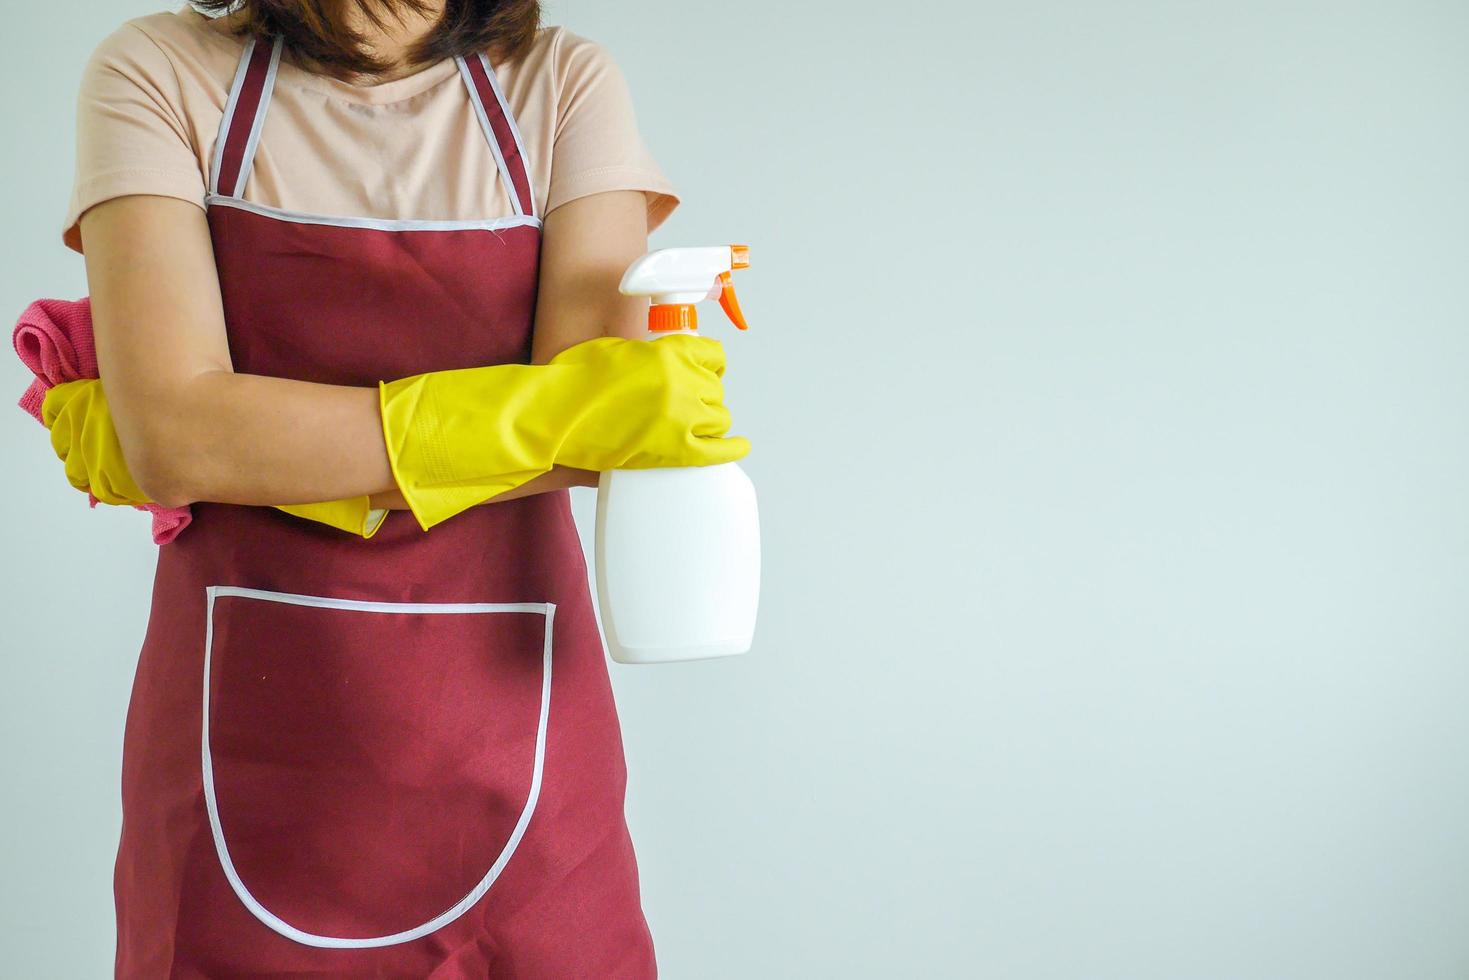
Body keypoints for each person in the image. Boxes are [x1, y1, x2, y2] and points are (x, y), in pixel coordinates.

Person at [46, 0, 748, 975]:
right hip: (241, 747)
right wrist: (538, 414)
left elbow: (602, 433)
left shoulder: (560, 84)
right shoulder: (163, 71)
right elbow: (174, 435)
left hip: (522, 742)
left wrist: (259, 438)